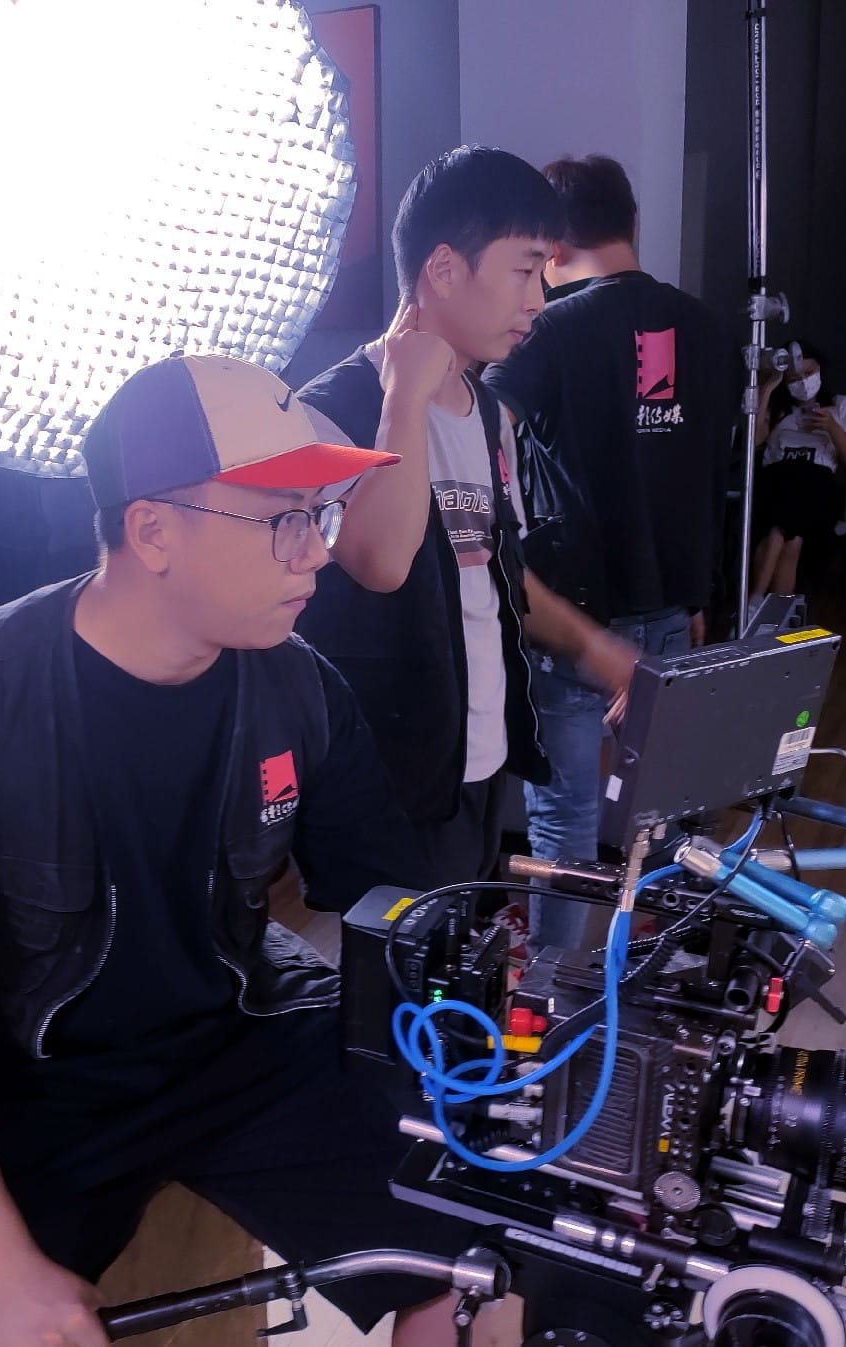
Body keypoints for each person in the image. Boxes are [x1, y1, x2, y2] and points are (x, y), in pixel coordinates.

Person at [0, 353, 514, 1347]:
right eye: (282, 519)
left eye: (321, 515)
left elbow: (397, 905)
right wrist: (2, 1266)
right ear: (153, 530)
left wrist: (500, 1039)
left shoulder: (301, 689)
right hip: (35, 1084)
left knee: (482, 1267)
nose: (316, 554)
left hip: (242, 1034)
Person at [296, 145, 596, 891]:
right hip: (387, 774)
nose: (538, 299)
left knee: (464, 951)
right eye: (524, 270)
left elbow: (497, 577)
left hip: (481, 755)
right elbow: (381, 561)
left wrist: (598, 649)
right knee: (395, 960)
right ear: (443, 269)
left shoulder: (490, 411)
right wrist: (404, 397)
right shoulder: (330, 410)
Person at [481, 155, 737, 948]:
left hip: (574, 614)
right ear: (632, 225)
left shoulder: (550, 332)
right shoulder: (707, 328)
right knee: (662, 807)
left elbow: (480, 430)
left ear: (553, 246)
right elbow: (712, 471)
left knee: (565, 815)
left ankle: (552, 985)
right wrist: (699, 596)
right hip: (674, 604)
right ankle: (662, 970)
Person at [749, 341, 846, 605]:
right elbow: (754, 441)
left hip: (817, 486)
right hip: (776, 482)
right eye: (794, 378)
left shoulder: (841, 405)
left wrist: (832, 428)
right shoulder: (779, 410)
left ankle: (754, 603)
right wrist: (768, 388)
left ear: (821, 369)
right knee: (792, 539)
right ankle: (777, 619)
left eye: (809, 373)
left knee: (781, 529)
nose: (802, 382)